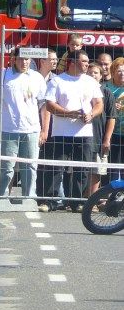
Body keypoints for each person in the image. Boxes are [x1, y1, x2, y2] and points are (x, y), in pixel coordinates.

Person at [40, 51, 104, 211]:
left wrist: (91, 114)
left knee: (82, 169)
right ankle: (50, 201)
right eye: (84, 61)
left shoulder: (91, 82)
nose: (87, 64)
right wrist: (68, 113)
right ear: (73, 62)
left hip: (84, 133)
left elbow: (99, 104)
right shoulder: (57, 80)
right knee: (56, 168)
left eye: (88, 61)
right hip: (61, 133)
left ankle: (78, 202)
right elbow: (49, 105)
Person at [0, 49, 47, 198]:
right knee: (5, 168)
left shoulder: (37, 77)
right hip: (7, 130)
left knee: (30, 168)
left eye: (27, 59)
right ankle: (1, 199)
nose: (24, 62)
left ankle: (28, 199)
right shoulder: (3, 75)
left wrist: (44, 130)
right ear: (14, 59)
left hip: (31, 130)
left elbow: (44, 106)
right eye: (21, 58)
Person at [86, 62, 115, 196]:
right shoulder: (81, 89)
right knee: (80, 168)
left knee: (96, 169)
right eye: (90, 72)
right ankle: (78, 200)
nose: (92, 75)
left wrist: (107, 139)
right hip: (81, 137)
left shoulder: (106, 92)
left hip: (99, 137)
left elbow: (111, 117)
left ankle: (92, 199)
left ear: (101, 76)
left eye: (96, 73)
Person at [104, 57, 124, 180]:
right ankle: (113, 189)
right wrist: (111, 106)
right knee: (113, 166)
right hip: (112, 133)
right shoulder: (106, 87)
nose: (122, 74)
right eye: (119, 71)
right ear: (113, 72)